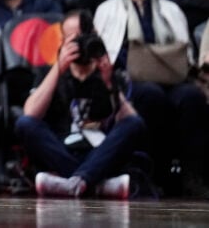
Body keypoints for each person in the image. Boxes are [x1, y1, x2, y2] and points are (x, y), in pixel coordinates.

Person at [93, 0, 209, 198]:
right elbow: (107, 56)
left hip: (170, 77)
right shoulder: (108, 9)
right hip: (129, 81)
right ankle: (153, 174)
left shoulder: (171, 9)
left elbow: (185, 52)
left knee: (192, 98)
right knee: (150, 96)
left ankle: (193, 176)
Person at [16, 11, 143, 199]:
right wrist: (58, 68)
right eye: (75, 38)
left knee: (135, 123)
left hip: (101, 154)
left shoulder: (112, 73)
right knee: (24, 124)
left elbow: (129, 122)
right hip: (61, 151)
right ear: (63, 41)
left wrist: (109, 83)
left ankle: (70, 182)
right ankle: (95, 184)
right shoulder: (50, 73)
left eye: (86, 37)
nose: (82, 44)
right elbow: (30, 114)